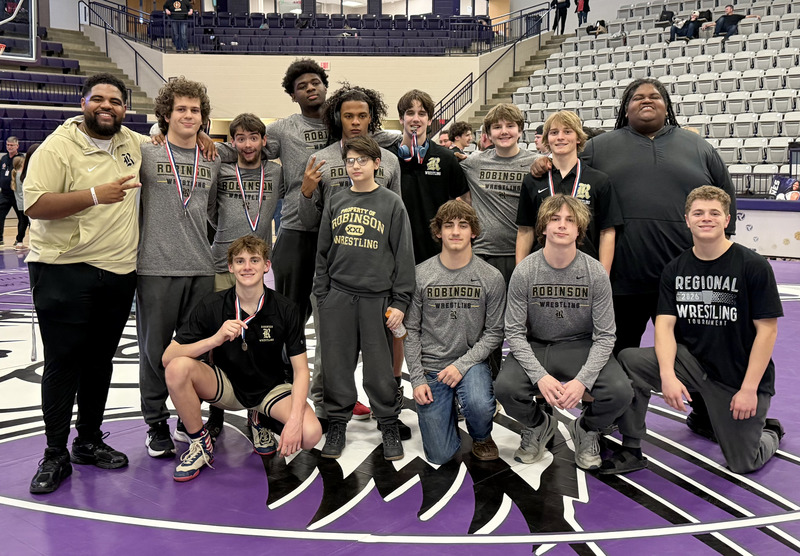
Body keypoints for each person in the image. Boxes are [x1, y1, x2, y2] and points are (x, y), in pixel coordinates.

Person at [530, 78, 736, 359]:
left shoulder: (699, 147)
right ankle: (612, 404)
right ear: (625, 109)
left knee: (696, 353)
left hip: (687, 276)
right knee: (617, 355)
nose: (647, 100)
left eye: (655, 96)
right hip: (621, 280)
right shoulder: (599, 147)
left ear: (667, 106)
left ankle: (703, 405)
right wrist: (543, 163)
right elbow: (566, 174)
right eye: (637, 98)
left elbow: (725, 199)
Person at [602, 186, 784, 475]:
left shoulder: (753, 266)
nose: (706, 218)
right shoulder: (675, 269)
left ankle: (769, 431)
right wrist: (667, 375)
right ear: (687, 219)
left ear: (727, 220)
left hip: (736, 376)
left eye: (714, 213)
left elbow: (767, 332)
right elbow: (664, 324)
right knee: (630, 360)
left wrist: (749, 389)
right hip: (692, 363)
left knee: (743, 462)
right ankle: (632, 445)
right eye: (698, 213)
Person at [25, 73, 148, 494]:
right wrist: (95, 195)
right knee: (63, 363)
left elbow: (169, 140)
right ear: (83, 104)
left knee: (100, 361)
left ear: (124, 109)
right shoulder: (56, 148)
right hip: (63, 269)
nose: (106, 106)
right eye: (98, 99)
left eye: (115, 101)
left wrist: (203, 137)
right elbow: (36, 205)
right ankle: (55, 453)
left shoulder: (132, 143)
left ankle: (89, 441)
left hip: (117, 271)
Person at [162, 236, 322, 481]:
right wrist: (214, 340)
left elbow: (301, 371)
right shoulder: (212, 305)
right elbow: (168, 357)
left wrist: (294, 421)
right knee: (177, 368)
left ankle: (259, 418)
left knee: (310, 434)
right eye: (240, 261)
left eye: (254, 260)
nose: (247, 267)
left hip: (270, 389)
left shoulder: (285, 308)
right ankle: (200, 443)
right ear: (230, 267)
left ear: (266, 266)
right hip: (227, 386)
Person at [496, 194, 633, 470]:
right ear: (543, 228)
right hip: (538, 346)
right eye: (554, 219)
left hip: (581, 346)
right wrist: (540, 377)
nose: (562, 225)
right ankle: (538, 424)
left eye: (570, 220)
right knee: (505, 387)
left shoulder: (595, 272)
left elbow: (606, 335)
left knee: (620, 391)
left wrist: (582, 380)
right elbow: (513, 331)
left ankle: (587, 427)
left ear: (579, 230)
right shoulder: (525, 271)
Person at [297, 84, 402, 426]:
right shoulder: (322, 160)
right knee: (331, 350)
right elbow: (311, 222)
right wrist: (307, 192)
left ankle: (386, 412)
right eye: (348, 116)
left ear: (372, 118)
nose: (355, 121)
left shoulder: (388, 161)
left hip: (374, 275)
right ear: (336, 118)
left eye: (362, 115)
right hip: (336, 272)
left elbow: (395, 221)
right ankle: (328, 410)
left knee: (377, 351)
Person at [314, 135, 415, 461]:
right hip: (340, 297)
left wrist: (400, 301)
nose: (355, 166)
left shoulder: (392, 203)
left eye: (362, 160)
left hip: (378, 299)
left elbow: (403, 256)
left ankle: (387, 422)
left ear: (377, 164)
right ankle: (338, 422)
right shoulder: (336, 201)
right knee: (337, 366)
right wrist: (323, 295)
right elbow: (323, 253)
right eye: (350, 160)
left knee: (380, 370)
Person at [138, 77, 221, 459]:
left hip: (201, 266)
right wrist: (155, 133)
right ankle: (155, 422)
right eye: (181, 109)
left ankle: (190, 420)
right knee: (156, 350)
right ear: (166, 115)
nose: (189, 115)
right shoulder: (147, 152)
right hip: (155, 266)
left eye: (195, 110)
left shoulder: (213, 157)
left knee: (195, 351)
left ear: (203, 117)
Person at [406, 200, 505, 464]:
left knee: (478, 403)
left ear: (473, 231)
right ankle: (445, 406)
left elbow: (495, 332)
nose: (455, 231)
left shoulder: (491, 276)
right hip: (431, 369)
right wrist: (417, 380)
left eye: (463, 225)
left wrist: (461, 366)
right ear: (438, 232)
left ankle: (482, 436)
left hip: (471, 364)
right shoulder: (420, 275)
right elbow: (411, 331)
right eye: (448, 225)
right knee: (441, 456)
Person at [516, 111, 622, 273]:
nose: (560, 137)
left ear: (578, 137)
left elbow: (607, 231)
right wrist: (520, 272)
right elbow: (525, 229)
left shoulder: (599, 180)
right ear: (547, 139)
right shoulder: (533, 180)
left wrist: (603, 275)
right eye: (554, 132)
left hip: (586, 269)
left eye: (567, 131)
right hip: (540, 269)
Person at [266, 59, 330, 323]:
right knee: (289, 312)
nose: (310, 88)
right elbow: (247, 142)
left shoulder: (342, 124)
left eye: (316, 82)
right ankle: (283, 365)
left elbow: (388, 138)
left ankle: (327, 366)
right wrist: (203, 137)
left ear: (325, 87)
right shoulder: (282, 129)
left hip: (336, 228)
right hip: (295, 229)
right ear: (293, 96)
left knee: (332, 313)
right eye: (302, 86)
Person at [460, 103, 539, 286]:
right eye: (497, 127)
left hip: (522, 253)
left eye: (510, 126)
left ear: (520, 130)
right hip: (483, 253)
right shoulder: (473, 163)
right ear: (487, 133)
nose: (504, 132)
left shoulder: (535, 163)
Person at [390, 89, 469, 265]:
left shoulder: (446, 158)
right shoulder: (388, 158)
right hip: (396, 249)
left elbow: (466, 201)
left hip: (436, 251)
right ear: (401, 119)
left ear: (430, 120)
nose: (416, 119)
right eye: (410, 113)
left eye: (422, 113)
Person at [0, 135, 24, 247]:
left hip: (17, 194)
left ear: (17, 146)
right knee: (0, 215)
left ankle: (19, 240)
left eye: (12, 145)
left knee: (22, 218)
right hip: (5, 194)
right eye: (8, 145)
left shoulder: (21, 159)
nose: (9, 147)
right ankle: (0, 239)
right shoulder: (4, 158)